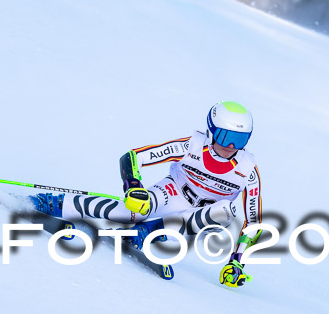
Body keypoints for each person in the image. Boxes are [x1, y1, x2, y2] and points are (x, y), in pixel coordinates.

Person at [32, 101, 262, 288]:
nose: (231, 145)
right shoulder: (191, 146)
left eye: (240, 140)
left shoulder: (247, 170)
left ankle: (148, 234)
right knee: (129, 211)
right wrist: (133, 186)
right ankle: (57, 204)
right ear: (211, 131)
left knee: (224, 212)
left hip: (201, 218)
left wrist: (237, 263)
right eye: (224, 136)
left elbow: (254, 223)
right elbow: (133, 157)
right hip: (174, 193)